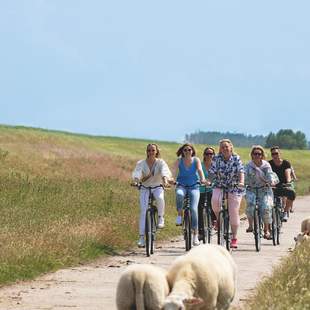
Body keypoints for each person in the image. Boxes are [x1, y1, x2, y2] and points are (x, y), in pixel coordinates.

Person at [132, 143, 171, 247]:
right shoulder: (141, 163)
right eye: (149, 150)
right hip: (145, 188)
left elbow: (165, 173)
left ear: (156, 152)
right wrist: (136, 181)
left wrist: (165, 181)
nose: (151, 152)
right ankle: (141, 237)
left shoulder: (161, 162)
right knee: (143, 211)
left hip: (157, 186)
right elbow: (137, 173)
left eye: (153, 150)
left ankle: (161, 217)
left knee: (159, 198)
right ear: (146, 152)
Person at [208, 139, 245, 249]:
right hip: (219, 185)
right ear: (220, 149)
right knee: (215, 201)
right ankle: (219, 220)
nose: (224, 148)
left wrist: (241, 182)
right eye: (222, 147)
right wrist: (209, 181)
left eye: (226, 147)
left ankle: (234, 237)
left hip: (234, 186)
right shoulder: (216, 159)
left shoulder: (236, 158)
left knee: (233, 212)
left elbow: (241, 171)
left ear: (231, 148)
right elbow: (212, 172)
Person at [172, 143, 206, 246]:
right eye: (185, 150)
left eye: (189, 150)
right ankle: (179, 215)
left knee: (193, 209)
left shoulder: (196, 160)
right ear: (182, 151)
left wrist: (203, 179)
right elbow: (173, 171)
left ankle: (195, 235)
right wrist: (171, 179)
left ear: (192, 151)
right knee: (179, 194)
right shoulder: (179, 161)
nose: (187, 151)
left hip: (194, 186)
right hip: (181, 185)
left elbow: (200, 170)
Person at [244, 145, 279, 239]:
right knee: (250, 205)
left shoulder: (266, 165)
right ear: (252, 155)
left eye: (259, 154)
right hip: (251, 189)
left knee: (266, 208)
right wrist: (241, 182)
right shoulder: (248, 165)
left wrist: (271, 182)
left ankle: (266, 230)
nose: (257, 155)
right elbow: (244, 176)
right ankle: (251, 225)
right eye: (255, 154)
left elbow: (270, 174)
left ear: (262, 155)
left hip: (264, 190)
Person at [268, 146, 296, 222]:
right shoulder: (269, 164)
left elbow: (288, 173)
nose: (275, 155)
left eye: (276, 153)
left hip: (283, 185)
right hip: (272, 186)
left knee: (292, 193)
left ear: (280, 153)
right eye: (273, 154)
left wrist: (288, 182)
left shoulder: (286, 163)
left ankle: (285, 211)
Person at [198, 147, 217, 239]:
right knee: (199, 209)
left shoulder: (216, 165)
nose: (209, 155)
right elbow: (196, 175)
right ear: (204, 155)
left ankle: (214, 219)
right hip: (201, 189)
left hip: (213, 188)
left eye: (211, 154)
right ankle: (201, 231)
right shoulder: (200, 165)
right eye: (207, 153)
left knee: (214, 202)